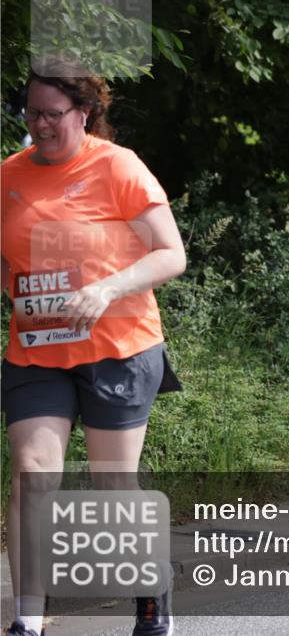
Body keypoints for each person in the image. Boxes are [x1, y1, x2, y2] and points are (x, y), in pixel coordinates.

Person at [1, 59, 186, 636]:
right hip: (36, 351)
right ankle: (28, 619)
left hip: (119, 345)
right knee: (31, 473)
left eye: (54, 114)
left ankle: (153, 601)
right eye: (32, 112)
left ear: (84, 113)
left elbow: (170, 254)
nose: (41, 125)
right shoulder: (7, 175)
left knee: (113, 485)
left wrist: (106, 287)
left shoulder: (117, 166)